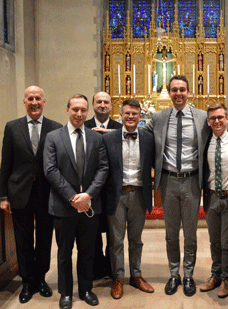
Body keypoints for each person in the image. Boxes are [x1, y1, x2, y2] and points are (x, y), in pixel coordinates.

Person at [144, 75, 211, 296]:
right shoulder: (159, 117)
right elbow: (137, 134)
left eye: (182, 89)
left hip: (192, 181)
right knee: (171, 233)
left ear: (189, 92)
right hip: (169, 181)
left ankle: (189, 275)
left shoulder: (202, 117)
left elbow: (220, 134)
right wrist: (109, 135)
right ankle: (174, 274)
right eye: (174, 90)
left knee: (190, 233)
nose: (178, 93)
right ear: (170, 93)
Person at [43, 94, 108, 309]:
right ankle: (65, 293)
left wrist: (87, 195)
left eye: (83, 110)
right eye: (75, 109)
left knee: (87, 251)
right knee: (64, 253)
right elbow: (50, 170)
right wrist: (73, 197)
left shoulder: (96, 138)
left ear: (87, 112)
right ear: (67, 110)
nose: (79, 114)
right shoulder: (53, 137)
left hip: (89, 205)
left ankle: (86, 289)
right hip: (63, 206)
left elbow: (102, 168)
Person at [0, 86, 62, 304]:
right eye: (30, 99)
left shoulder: (56, 128)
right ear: (24, 102)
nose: (34, 102)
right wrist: (3, 196)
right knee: (23, 239)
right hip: (20, 192)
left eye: (38, 98)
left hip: (46, 193)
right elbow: (5, 163)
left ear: (44, 102)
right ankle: (27, 282)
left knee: (45, 239)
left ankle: (41, 279)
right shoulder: (12, 127)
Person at [103, 99, 154, 299]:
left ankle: (136, 275)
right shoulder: (109, 139)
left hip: (139, 195)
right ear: (121, 116)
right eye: (127, 113)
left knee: (136, 240)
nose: (131, 117)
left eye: (134, 113)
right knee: (116, 241)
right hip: (117, 195)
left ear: (140, 116)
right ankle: (118, 278)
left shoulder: (149, 138)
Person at [200, 103, 228, 298]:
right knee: (214, 241)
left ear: (227, 119)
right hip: (211, 197)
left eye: (220, 117)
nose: (216, 121)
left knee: (227, 242)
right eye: (212, 118)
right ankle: (215, 275)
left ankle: (226, 278)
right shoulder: (205, 142)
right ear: (208, 122)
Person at [85, 91, 122, 280]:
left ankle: (112, 268)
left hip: (112, 190)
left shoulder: (120, 128)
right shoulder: (84, 127)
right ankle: (96, 269)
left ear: (111, 106)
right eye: (98, 102)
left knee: (113, 234)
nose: (102, 105)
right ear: (93, 105)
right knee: (93, 233)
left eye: (106, 102)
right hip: (90, 190)